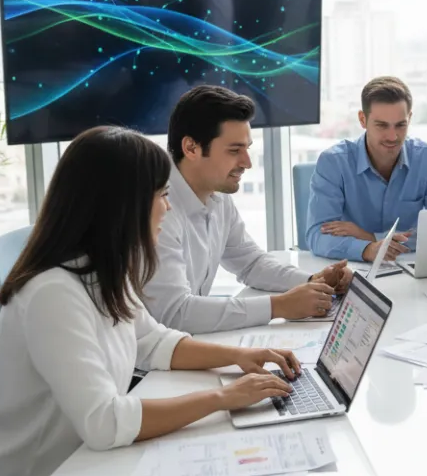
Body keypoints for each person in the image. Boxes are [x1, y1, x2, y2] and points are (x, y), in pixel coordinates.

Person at [0, 127, 300, 476]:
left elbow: (155, 344)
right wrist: (223, 399)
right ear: (123, 207)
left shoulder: (99, 269)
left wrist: (243, 357)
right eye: (161, 195)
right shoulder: (51, 294)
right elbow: (104, 422)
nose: (168, 209)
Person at [144, 85, 352, 334]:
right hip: (146, 367)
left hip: (183, 347)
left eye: (247, 148)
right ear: (191, 148)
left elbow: (250, 263)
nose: (248, 163)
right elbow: (174, 314)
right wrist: (278, 306)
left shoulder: (215, 193)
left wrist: (311, 281)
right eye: (234, 151)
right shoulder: (155, 208)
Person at [306, 76, 427, 262]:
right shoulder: (333, 162)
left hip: (412, 268)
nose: (392, 136)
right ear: (363, 120)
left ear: (409, 119)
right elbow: (317, 236)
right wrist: (368, 250)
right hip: (352, 271)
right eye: (382, 126)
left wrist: (371, 238)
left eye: (400, 125)